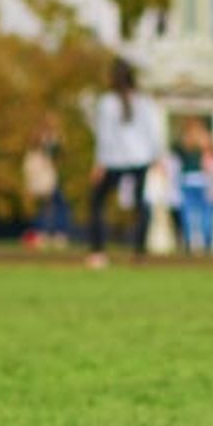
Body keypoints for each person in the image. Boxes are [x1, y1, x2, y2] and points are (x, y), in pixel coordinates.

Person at [87, 57, 163, 269]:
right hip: (140, 158)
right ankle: (140, 253)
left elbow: (104, 135)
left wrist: (99, 162)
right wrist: (157, 156)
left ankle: (98, 251)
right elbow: (153, 131)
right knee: (141, 206)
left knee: (97, 203)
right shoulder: (144, 102)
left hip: (114, 159)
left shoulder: (107, 103)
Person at [173, 116, 213, 256]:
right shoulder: (205, 142)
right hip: (202, 180)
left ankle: (188, 243)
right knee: (205, 214)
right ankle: (207, 243)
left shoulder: (182, 143)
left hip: (187, 180)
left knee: (188, 213)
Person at [23, 114, 70, 248]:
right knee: (50, 206)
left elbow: (60, 154)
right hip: (44, 178)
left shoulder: (49, 141)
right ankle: (47, 234)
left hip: (47, 177)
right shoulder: (42, 144)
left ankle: (46, 234)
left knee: (51, 206)